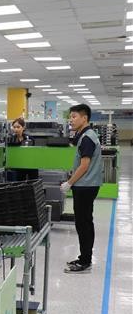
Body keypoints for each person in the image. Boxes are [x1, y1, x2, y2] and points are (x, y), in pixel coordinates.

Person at [62, 104, 103, 273]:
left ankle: (85, 261)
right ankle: (84, 257)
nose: (71, 120)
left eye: (74, 116)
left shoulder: (87, 137)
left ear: (84, 118)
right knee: (85, 222)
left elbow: (84, 165)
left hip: (85, 185)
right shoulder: (86, 135)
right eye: (70, 117)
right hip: (87, 185)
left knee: (83, 223)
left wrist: (69, 182)